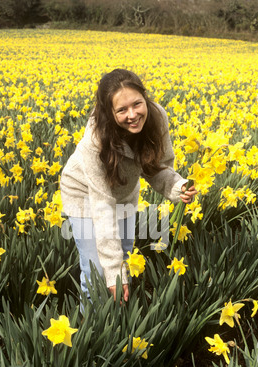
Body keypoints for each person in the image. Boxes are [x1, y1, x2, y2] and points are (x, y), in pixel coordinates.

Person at [60, 69, 197, 303]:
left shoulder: (156, 117)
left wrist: (178, 187)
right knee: (96, 270)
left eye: (137, 104)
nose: (132, 115)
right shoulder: (96, 139)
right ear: (109, 112)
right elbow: (102, 205)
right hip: (84, 195)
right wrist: (113, 273)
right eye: (122, 110)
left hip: (123, 194)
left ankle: (118, 321)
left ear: (145, 98)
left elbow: (158, 167)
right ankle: (92, 331)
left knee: (122, 259)